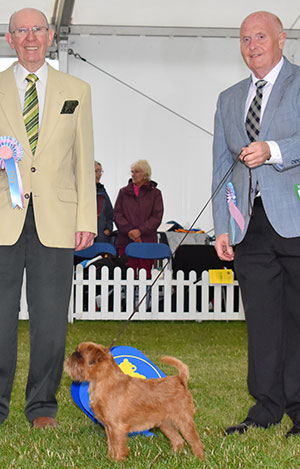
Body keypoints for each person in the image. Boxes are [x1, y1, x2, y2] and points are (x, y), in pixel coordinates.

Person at [0, 8, 97, 428]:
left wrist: (87, 219)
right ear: (9, 40)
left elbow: (83, 156)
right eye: (21, 31)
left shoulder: (78, 89)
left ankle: (42, 406)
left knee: (52, 322)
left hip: (57, 222)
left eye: (37, 28)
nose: (30, 37)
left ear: (51, 34)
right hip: (4, 218)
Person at [212, 10, 300, 438]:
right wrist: (222, 226)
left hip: (296, 219)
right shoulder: (228, 98)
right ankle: (265, 407)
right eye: (245, 39)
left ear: (282, 39)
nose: (253, 45)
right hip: (249, 227)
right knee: (262, 321)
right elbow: (221, 167)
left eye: (261, 36)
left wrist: (274, 149)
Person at [114, 160, 163, 277]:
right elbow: (117, 214)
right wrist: (130, 231)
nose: (133, 174)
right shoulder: (123, 192)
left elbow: (157, 217)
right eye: (132, 172)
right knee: (127, 275)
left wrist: (140, 231)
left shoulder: (155, 193)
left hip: (146, 241)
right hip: (125, 241)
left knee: (145, 275)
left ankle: (146, 296)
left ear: (145, 174)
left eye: (137, 172)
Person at [94, 161, 114, 243]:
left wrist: (108, 229)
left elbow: (110, 213)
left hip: (101, 236)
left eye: (100, 171)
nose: (99, 174)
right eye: (96, 171)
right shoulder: (79, 190)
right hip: (82, 235)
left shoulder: (102, 192)